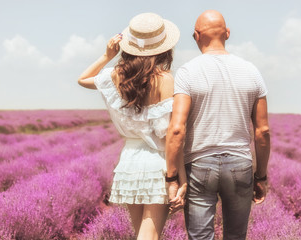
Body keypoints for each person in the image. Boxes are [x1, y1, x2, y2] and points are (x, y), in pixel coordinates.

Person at [77, 13, 186, 240]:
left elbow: (83, 79)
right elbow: (167, 136)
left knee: (141, 234)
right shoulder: (165, 79)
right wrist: (179, 178)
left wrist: (106, 56)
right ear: (164, 48)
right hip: (157, 162)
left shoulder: (116, 76)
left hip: (129, 161)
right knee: (149, 235)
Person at [166, 10, 270, 240]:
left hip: (199, 165)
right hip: (240, 164)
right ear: (228, 34)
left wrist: (172, 178)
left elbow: (176, 129)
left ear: (196, 35)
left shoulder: (187, 72)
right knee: (236, 236)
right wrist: (261, 176)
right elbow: (263, 131)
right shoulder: (252, 72)